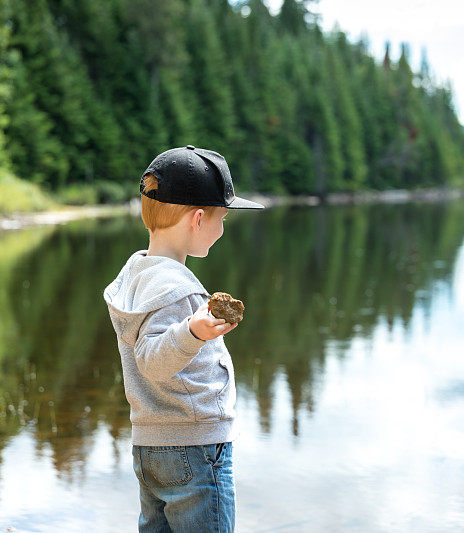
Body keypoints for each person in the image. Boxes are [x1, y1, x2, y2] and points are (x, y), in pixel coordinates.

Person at [102, 145, 265, 532]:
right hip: (195, 448)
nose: (222, 230)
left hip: (151, 446)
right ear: (196, 219)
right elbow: (152, 359)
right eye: (221, 218)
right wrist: (192, 332)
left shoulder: (137, 274)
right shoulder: (177, 289)